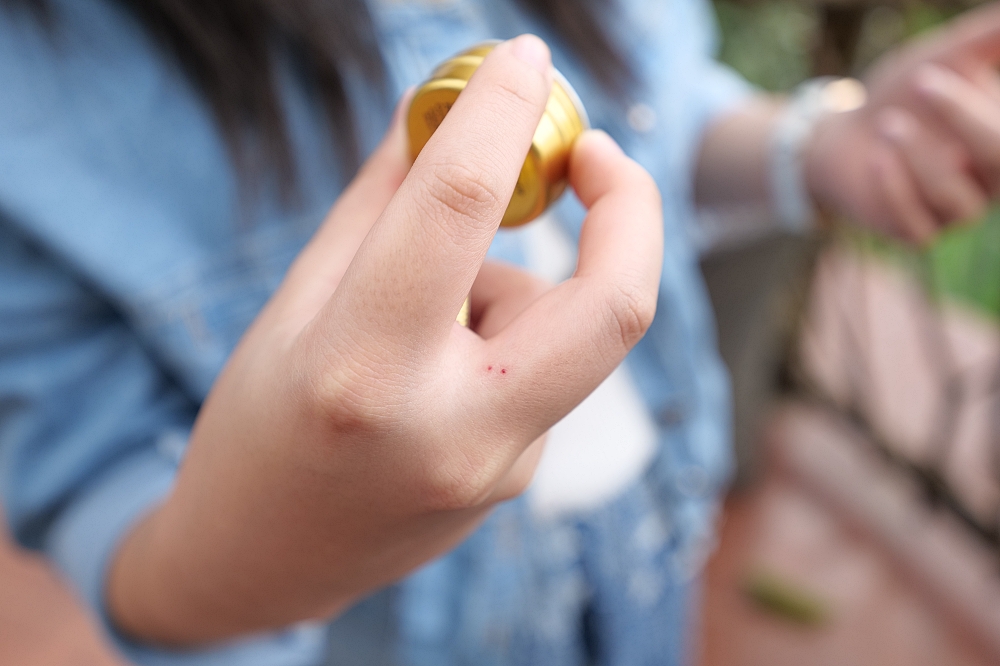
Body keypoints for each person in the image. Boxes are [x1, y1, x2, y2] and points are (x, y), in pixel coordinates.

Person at [1, 0, 999, 664]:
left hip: (652, 566)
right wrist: (249, 555)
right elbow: (84, 473)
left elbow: (647, 113)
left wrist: (814, 146)